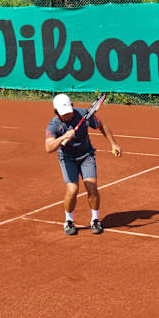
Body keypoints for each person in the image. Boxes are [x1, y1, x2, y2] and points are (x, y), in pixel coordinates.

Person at [45, 94, 122, 235]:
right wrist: (64, 137)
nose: (68, 115)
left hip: (86, 155)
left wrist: (113, 144)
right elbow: (48, 148)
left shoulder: (83, 115)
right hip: (68, 158)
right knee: (72, 189)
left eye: (69, 112)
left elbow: (102, 125)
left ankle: (95, 220)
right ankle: (69, 221)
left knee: (91, 187)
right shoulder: (54, 125)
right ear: (56, 112)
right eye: (64, 114)